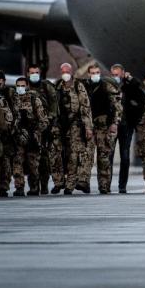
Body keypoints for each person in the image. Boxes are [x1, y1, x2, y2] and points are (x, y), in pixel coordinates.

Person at [52, 63, 93, 195]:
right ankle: (58, 182)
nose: (65, 73)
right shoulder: (57, 86)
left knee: (74, 154)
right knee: (56, 153)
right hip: (60, 125)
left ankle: (70, 184)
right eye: (63, 71)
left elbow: (85, 107)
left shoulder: (78, 86)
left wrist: (88, 127)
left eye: (67, 71)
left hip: (75, 124)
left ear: (71, 71)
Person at [83, 64, 122, 194]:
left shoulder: (106, 86)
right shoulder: (84, 86)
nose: (95, 75)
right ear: (88, 74)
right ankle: (84, 183)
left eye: (97, 72)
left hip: (104, 125)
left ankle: (104, 185)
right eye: (92, 73)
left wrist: (114, 123)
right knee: (86, 156)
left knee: (104, 156)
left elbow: (117, 106)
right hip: (88, 125)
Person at [11, 76, 49, 196]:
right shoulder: (12, 100)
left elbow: (44, 121)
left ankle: (34, 187)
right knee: (17, 162)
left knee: (33, 164)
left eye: (22, 86)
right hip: (18, 136)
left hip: (32, 136)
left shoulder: (34, 99)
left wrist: (35, 133)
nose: (20, 88)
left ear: (27, 86)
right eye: (18, 86)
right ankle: (19, 187)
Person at [112, 64, 145, 193]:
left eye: (118, 74)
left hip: (126, 125)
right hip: (113, 125)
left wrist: (129, 79)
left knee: (125, 156)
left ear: (123, 73)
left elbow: (139, 90)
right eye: (113, 75)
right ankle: (105, 185)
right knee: (108, 156)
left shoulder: (130, 84)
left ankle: (122, 185)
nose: (116, 77)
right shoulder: (109, 85)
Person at [26, 64, 58, 195]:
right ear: (28, 74)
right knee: (31, 158)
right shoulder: (25, 87)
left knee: (44, 158)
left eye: (36, 72)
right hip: (30, 128)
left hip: (45, 127)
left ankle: (44, 185)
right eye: (32, 72)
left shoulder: (46, 87)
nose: (34, 75)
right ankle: (33, 187)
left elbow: (54, 106)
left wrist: (49, 123)